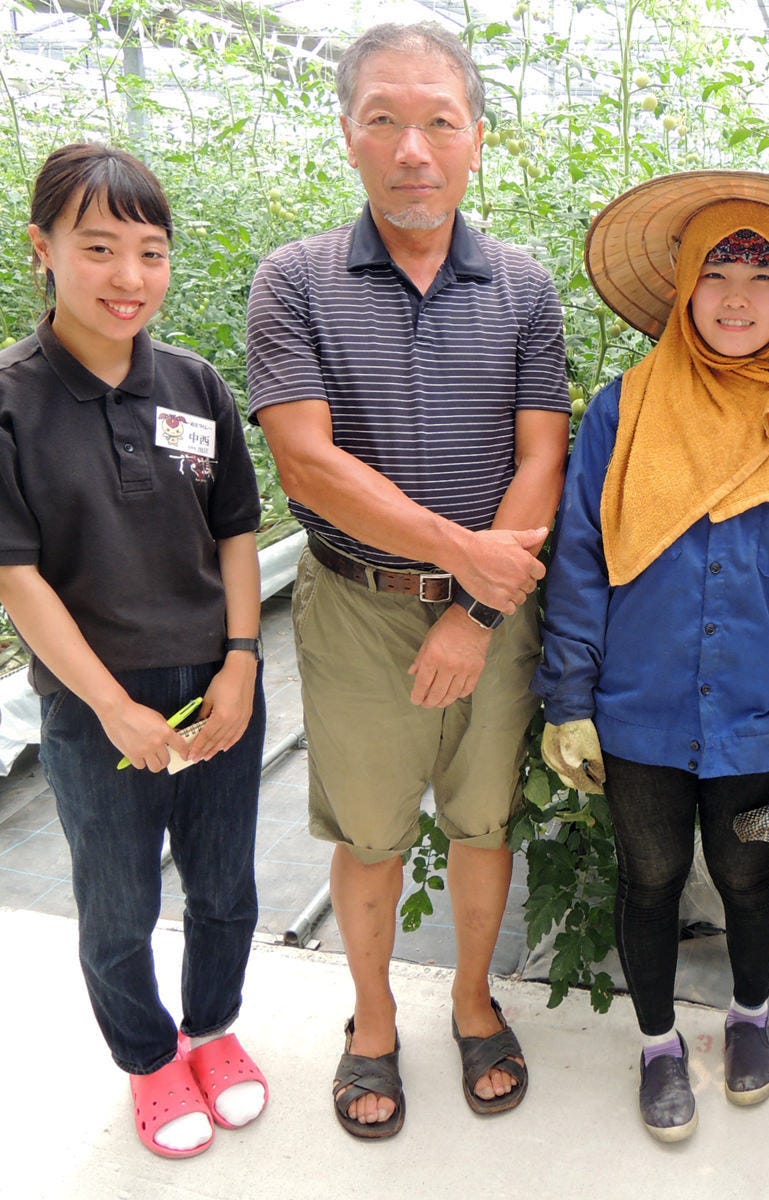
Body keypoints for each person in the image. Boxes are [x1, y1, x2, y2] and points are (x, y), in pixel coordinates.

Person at [246, 21, 569, 1136]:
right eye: (384, 120)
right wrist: (459, 552)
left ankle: (474, 999)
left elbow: (541, 459)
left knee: (483, 822)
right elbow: (306, 463)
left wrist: (475, 609)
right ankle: (374, 1020)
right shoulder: (295, 280)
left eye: (439, 120)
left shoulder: (523, 287)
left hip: (494, 613)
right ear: (349, 135)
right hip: (356, 608)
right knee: (370, 834)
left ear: (477, 137)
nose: (413, 148)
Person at [534, 171, 769, 1140]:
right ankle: (659, 1043)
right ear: (685, 284)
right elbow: (581, 559)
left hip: (762, 726)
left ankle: (750, 1017)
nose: (737, 297)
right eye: (718, 272)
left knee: (748, 876)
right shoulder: (623, 410)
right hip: (638, 713)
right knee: (650, 876)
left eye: (763, 275)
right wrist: (569, 697)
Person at [0, 143, 268, 1159]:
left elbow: (236, 531)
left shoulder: (194, 384)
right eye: (99, 247)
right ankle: (151, 1059)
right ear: (43, 248)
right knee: (118, 903)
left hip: (218, 687)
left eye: (150, 251)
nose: (129, 277)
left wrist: (242, 661)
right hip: (94, 704)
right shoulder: (13, 400)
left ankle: (214, 1030)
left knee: (224, 887)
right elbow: (16, 576)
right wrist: (113, 707)